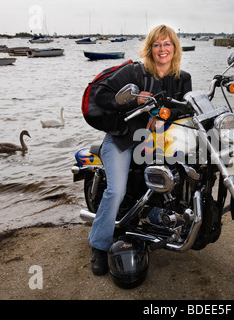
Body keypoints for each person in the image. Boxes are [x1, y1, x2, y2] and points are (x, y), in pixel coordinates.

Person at [88, 25, 193, 276]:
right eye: (157, 44)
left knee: (182, 173)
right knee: (116, 190)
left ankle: (163, 217)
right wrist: (132, 101)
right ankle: (99, 246)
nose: (162, 49)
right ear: (150, 48)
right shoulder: (134, 71)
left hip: (157, 140)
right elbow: (100, 93)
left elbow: (186, 107)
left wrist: (162, 115)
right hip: (123, 138)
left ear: (175, 48)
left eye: (167, 44)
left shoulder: (182, 77)